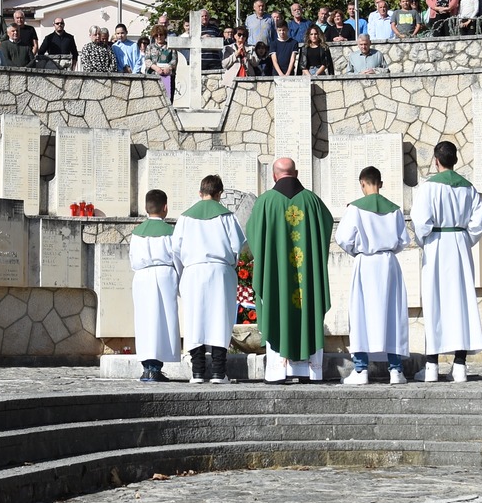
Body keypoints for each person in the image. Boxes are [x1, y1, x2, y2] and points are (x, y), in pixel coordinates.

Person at [246, 156, 333, 383]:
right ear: (296, 174)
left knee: (278, 306)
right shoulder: (312, 202)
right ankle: (309, 371)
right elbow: (326, 226)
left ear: (274, 175)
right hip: (307, 279)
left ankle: (277, 370)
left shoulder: (266, 202)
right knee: (307, 306)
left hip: (277, 278)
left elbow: (253, 235)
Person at [411, 141, 482, 381]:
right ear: (456, 160)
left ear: (436, 160)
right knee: (461, 302)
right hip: (460, 245)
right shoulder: (469, 189)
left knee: (435, 301)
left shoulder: (428, 188)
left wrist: (427, 240)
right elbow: (477, 226)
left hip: (437, 244)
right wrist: (463, 240)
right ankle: (460, 364)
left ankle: (431, 366)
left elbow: (420, 222)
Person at [333, 165, 410, 385]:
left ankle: (361, 369)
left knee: (361, 315)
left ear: (362, 184)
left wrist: (356, 250)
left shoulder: (355, 209)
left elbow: (343, 238)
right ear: (381, 183)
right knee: (392, 315)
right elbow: (403, 241)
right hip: (388, 264)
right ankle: (396, 371)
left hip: (365, 262)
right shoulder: (394, 209)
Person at [173, 174, 247, 384]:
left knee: (194, 319)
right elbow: (236, 247)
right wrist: (230, 264)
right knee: (219, 320)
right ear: (220, 194)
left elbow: (176, 250)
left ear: (200, 193)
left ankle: (197, 372)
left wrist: (182, 274)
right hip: (220, 272)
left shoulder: (185, 217)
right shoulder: (227, 216)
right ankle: (218, 373)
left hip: (193, 271)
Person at [129, 189, 181, 382]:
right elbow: (177, 257)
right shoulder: (170, 232)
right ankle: (156, 368)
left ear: (145, 207)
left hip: (142, 276)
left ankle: (146, 368)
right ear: (165, 207)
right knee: (163, 321)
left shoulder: (137, 233)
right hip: (165, 274)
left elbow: (133, 260)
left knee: (145, 321)